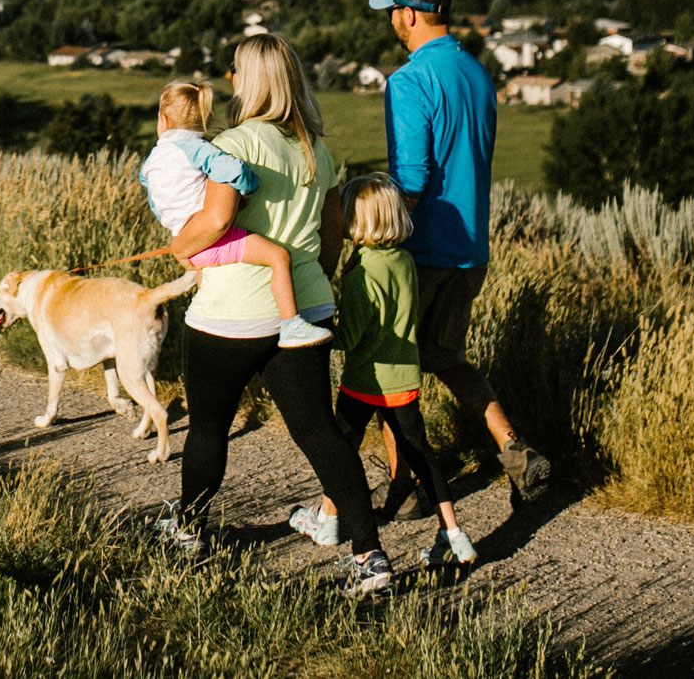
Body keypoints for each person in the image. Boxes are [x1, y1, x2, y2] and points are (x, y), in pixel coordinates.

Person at [151, 34, 395, 593]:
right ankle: (369, 557)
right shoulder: (318, 149)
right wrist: (314, 285)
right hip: (305, 304)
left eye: (236, 71)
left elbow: (214, 220)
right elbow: (332, 238)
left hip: (233, 308)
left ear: (250, 81)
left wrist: (181, 247)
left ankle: (188, 529)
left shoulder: (233, 144)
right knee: (320, 433)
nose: (232, 81)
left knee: (211, 425)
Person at [368, 0, 552, 504]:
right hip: (471, 246)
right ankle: (514, 447)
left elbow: (411, 181)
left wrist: (369, 236)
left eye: (392, 13)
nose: (392, 22)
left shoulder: (408, 81)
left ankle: (408, 487)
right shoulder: (477, 74)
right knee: (447, 356)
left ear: (407, 14)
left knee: (391, 369)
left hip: (421, 247)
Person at [288, 173, 477, 570]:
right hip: (404, 379)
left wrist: (316, 329)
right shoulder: (405, 260)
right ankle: (454, 535)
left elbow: (352, 338)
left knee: (340, 449)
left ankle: (329, 519)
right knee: (422, 454)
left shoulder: (361, 274)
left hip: (364, 381)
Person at [139, 80, 331, 348]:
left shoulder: (152, 161)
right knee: (278, 257)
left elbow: (151, 194)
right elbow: (233, 172)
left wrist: (176, 225)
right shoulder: (198, 150)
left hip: (184, 234)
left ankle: (202, 304)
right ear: (205, 120)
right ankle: (291, 324)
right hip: (210, 237)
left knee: (207, 270)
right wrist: (250, 188)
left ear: (163, 121)